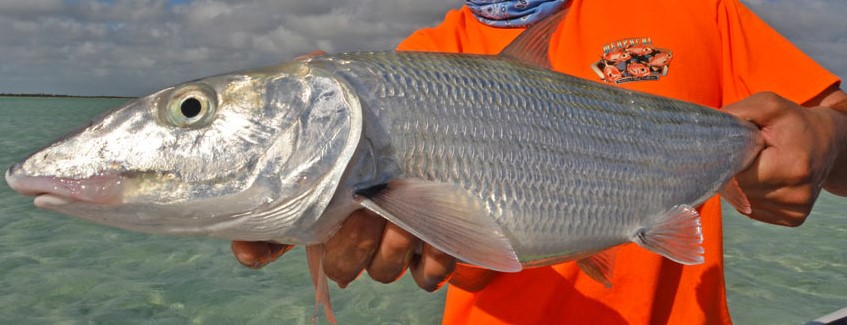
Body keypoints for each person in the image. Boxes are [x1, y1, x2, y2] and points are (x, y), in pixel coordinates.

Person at [231, 0, 847, 323]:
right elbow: (445, 252)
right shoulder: (422, 61)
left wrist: (830, 140)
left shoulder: (693, 7)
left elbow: (834, 130)